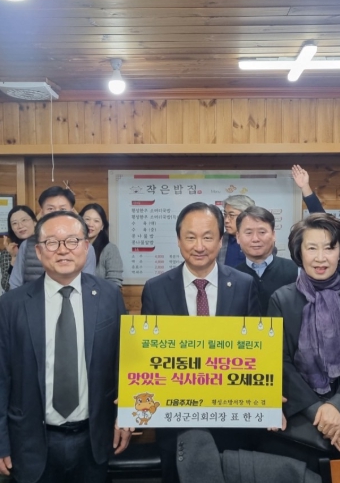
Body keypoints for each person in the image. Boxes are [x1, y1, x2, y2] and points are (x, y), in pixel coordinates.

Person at [0, 211, 132, 483]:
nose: (63, 250)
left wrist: (126, 415)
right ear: (39, 252)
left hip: (93, 438)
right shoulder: (12, 305)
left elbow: (124, 363)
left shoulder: (109, 297)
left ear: (85, 247)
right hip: (31, 440)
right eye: (52, 242)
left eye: (72, 241)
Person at [140, 201, 261, 483]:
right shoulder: (156, 288)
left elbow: (256, 351)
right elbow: (147, 355)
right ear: (178, 240)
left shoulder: (244, 285)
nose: (199, 246)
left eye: (207, 237)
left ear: (221, 240)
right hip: (175, 422)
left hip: (232, 420)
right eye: (190, 237)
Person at [263, 213, 340, 474]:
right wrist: (319, 411)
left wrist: (338, 405)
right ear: (299, 252)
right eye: (311, 248)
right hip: (297, 419)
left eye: (329, 248)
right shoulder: (281, 300)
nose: (320, 258)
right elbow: (278, 360)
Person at [9, 186, 96, 290]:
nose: (57, 214)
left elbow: (88, 285)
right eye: (50, 209)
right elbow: (15, 285)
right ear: (42, 213)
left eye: (63, 209)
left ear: (72, 211)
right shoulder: (26, 245)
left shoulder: (85, 246)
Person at [233, 206, 298, 315]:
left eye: (262, 232)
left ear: (273, 235)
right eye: (248, 233)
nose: (255, 239)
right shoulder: (232, 277)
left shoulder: (295, 271)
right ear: (238, 237)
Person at [80, 203, 124, 288]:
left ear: (102, 226)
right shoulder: (72, 247)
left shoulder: (110, 249)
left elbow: (115, 283)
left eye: (96, 221)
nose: (90, 224)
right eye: (87, 219)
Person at [0, 205, 37, 292]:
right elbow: (7, 286)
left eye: (24, 220)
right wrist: (14, 258)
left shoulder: (45, 247)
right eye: (14, 223)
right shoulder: (7, 253)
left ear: (34, 222)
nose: (20, 226)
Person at [218, 194, 255, 267]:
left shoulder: (259, 241)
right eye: (225, 214)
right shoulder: (219, 241)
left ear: (246, 216)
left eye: (231, 215)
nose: (226, 220)